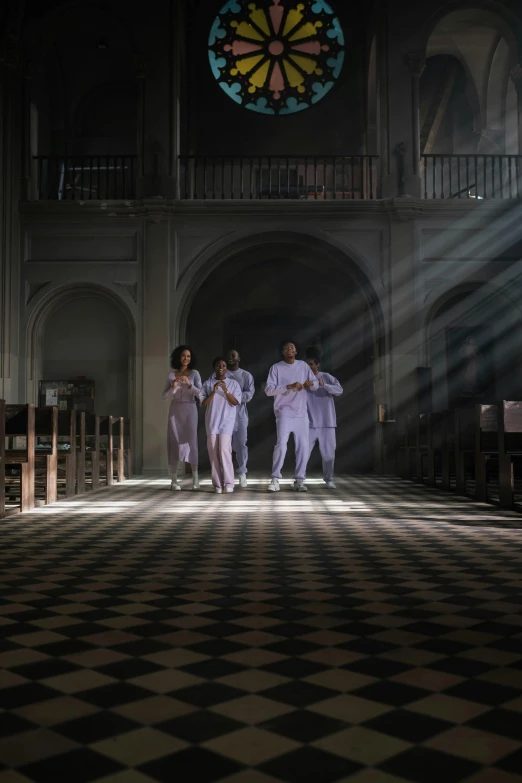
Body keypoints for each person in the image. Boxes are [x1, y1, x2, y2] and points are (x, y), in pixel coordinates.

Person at [265, 340, 317, 492]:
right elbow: (269, 390)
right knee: (281, 444)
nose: (289, 349)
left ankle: (299, 479)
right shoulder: (276, 368)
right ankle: (275, 479)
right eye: (286, 347)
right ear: (282, 352)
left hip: (301, 413)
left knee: (303, 446)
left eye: (292, 347)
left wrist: (309, 384)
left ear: (296, 352)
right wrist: (289, 386)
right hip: (284, 411)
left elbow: (314, 385)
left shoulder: (303, 366)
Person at [162, 345, 202, 490]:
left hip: (190, 409)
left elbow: (201, 395)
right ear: (178, 357)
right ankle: (174, 480)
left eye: (189, 356)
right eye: (184, 355)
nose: (186, 358)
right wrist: (173, 386)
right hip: (175, 410)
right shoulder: (171, 374)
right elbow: (164, 397)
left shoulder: (195, 373)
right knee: (174, 442)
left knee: (192, 442)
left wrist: (189, 383)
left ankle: (195, 479)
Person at [200, 357, 241, 494]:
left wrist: (226, 390)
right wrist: (214, 391)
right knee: (213, 451)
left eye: (223, 365)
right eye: (218, 365)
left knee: (224, 450)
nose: (221, 367)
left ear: (226, 368)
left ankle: (229, 483)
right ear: (215, 368)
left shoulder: (233, 384)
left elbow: (235, 402)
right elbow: (203, 403)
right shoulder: (208, 383)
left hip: (226, 422)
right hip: (212, 422)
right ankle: (217, 484)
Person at [305, 346, 343, 488]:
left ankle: (329, 479)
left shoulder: (326, 376)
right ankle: (299, 478)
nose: (309, 367)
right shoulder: (304, 380)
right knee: (303, 453)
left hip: (327, 422)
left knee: (328, 454)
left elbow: (339, 390)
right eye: (307, 364)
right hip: (309, 423)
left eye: (311, 364)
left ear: (317, 364)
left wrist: (324, 385)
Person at [226, 349, 255, 487]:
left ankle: (242, 472)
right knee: (225, 445)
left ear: (239, 358)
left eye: (233, 356)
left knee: (241, 444)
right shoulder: (221, 373)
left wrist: (234, 398)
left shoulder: (246, 375)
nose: (230, 358)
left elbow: (249, 394)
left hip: (240, 415)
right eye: (229, 356)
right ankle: (226, 473)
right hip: (224, 415)